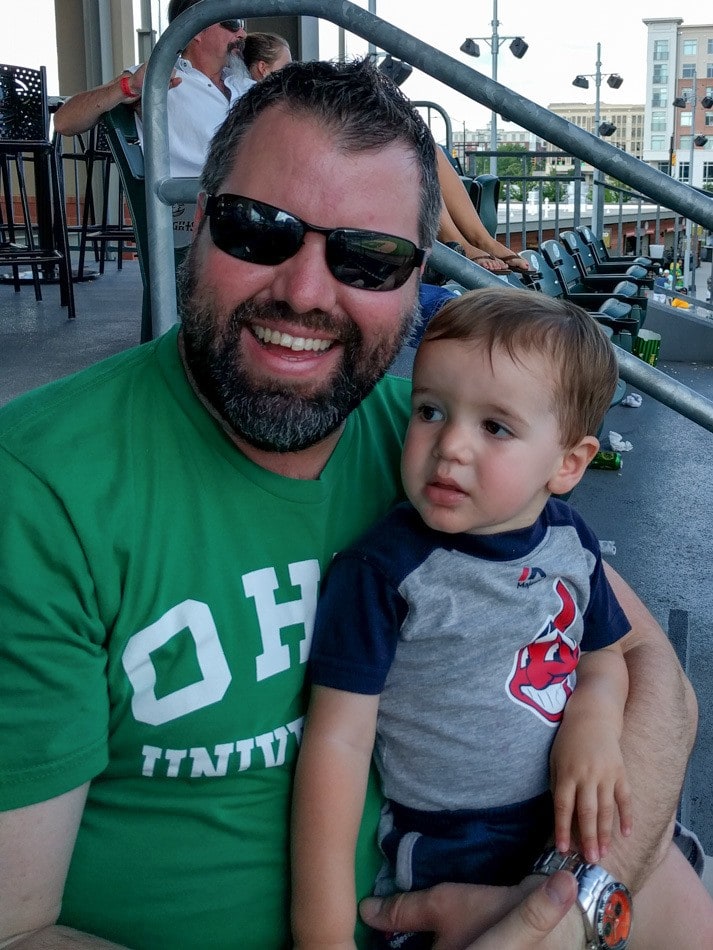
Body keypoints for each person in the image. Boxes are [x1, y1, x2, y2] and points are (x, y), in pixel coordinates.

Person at [0, 58, 710, 950]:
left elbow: (657, 685)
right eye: (257, 229)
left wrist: (564, 915)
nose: (303, 291)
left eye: (366, 257)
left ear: (417, 283)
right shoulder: (37, 490)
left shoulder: (429, 453)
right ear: (194, 222)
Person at [291, 288, 634, 949]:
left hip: (568, 822)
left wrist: (593, 722)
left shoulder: (571, 543)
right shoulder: (384, 571)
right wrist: (323, 938)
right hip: (450, 844)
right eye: (430, 411)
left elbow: (605, 656)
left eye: (494, 427)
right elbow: (336, 745)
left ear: (568, 463)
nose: (448, 446)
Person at [53, 0, 253, 246]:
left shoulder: (245, 84)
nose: (242, 33)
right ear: (197, 29)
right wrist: (129, 87)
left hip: (254, 203)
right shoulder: (159, 77)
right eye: (233, 23)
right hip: (199, 216)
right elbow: (64, 121)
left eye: (243, 23)